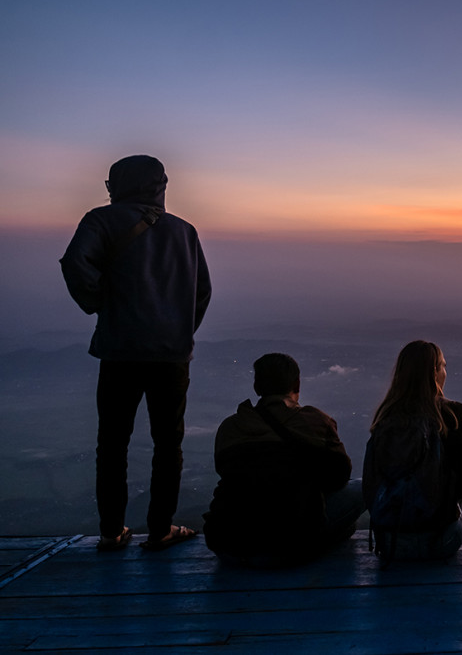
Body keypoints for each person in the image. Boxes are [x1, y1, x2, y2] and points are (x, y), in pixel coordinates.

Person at [60, 155, 211, 551]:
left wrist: (100, 304)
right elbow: (202, 292)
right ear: (160, 185)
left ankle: (112, 532)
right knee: (168, 444)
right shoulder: (184, 231)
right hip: (171, 357)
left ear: (117, 185)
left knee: (112, 444)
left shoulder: (100, 221)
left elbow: (76, 264)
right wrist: (177, 331)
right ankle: (161, 530)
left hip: (120, 351)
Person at [203, 353, 364, 567]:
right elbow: (339, 477)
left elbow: (224, 470)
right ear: (297, 384)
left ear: (257, 387)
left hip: (228, 545)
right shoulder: (315, 421)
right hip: (290, 544)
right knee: (361, 487)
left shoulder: (231, 427)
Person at [362, 341, 462, 561]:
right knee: (452, 490)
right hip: (441, 542)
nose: (445, 372)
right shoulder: (455, 414)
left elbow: (370, 485)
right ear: (434, 373)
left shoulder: (385, 418)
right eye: (443, 366)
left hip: (390, 543)